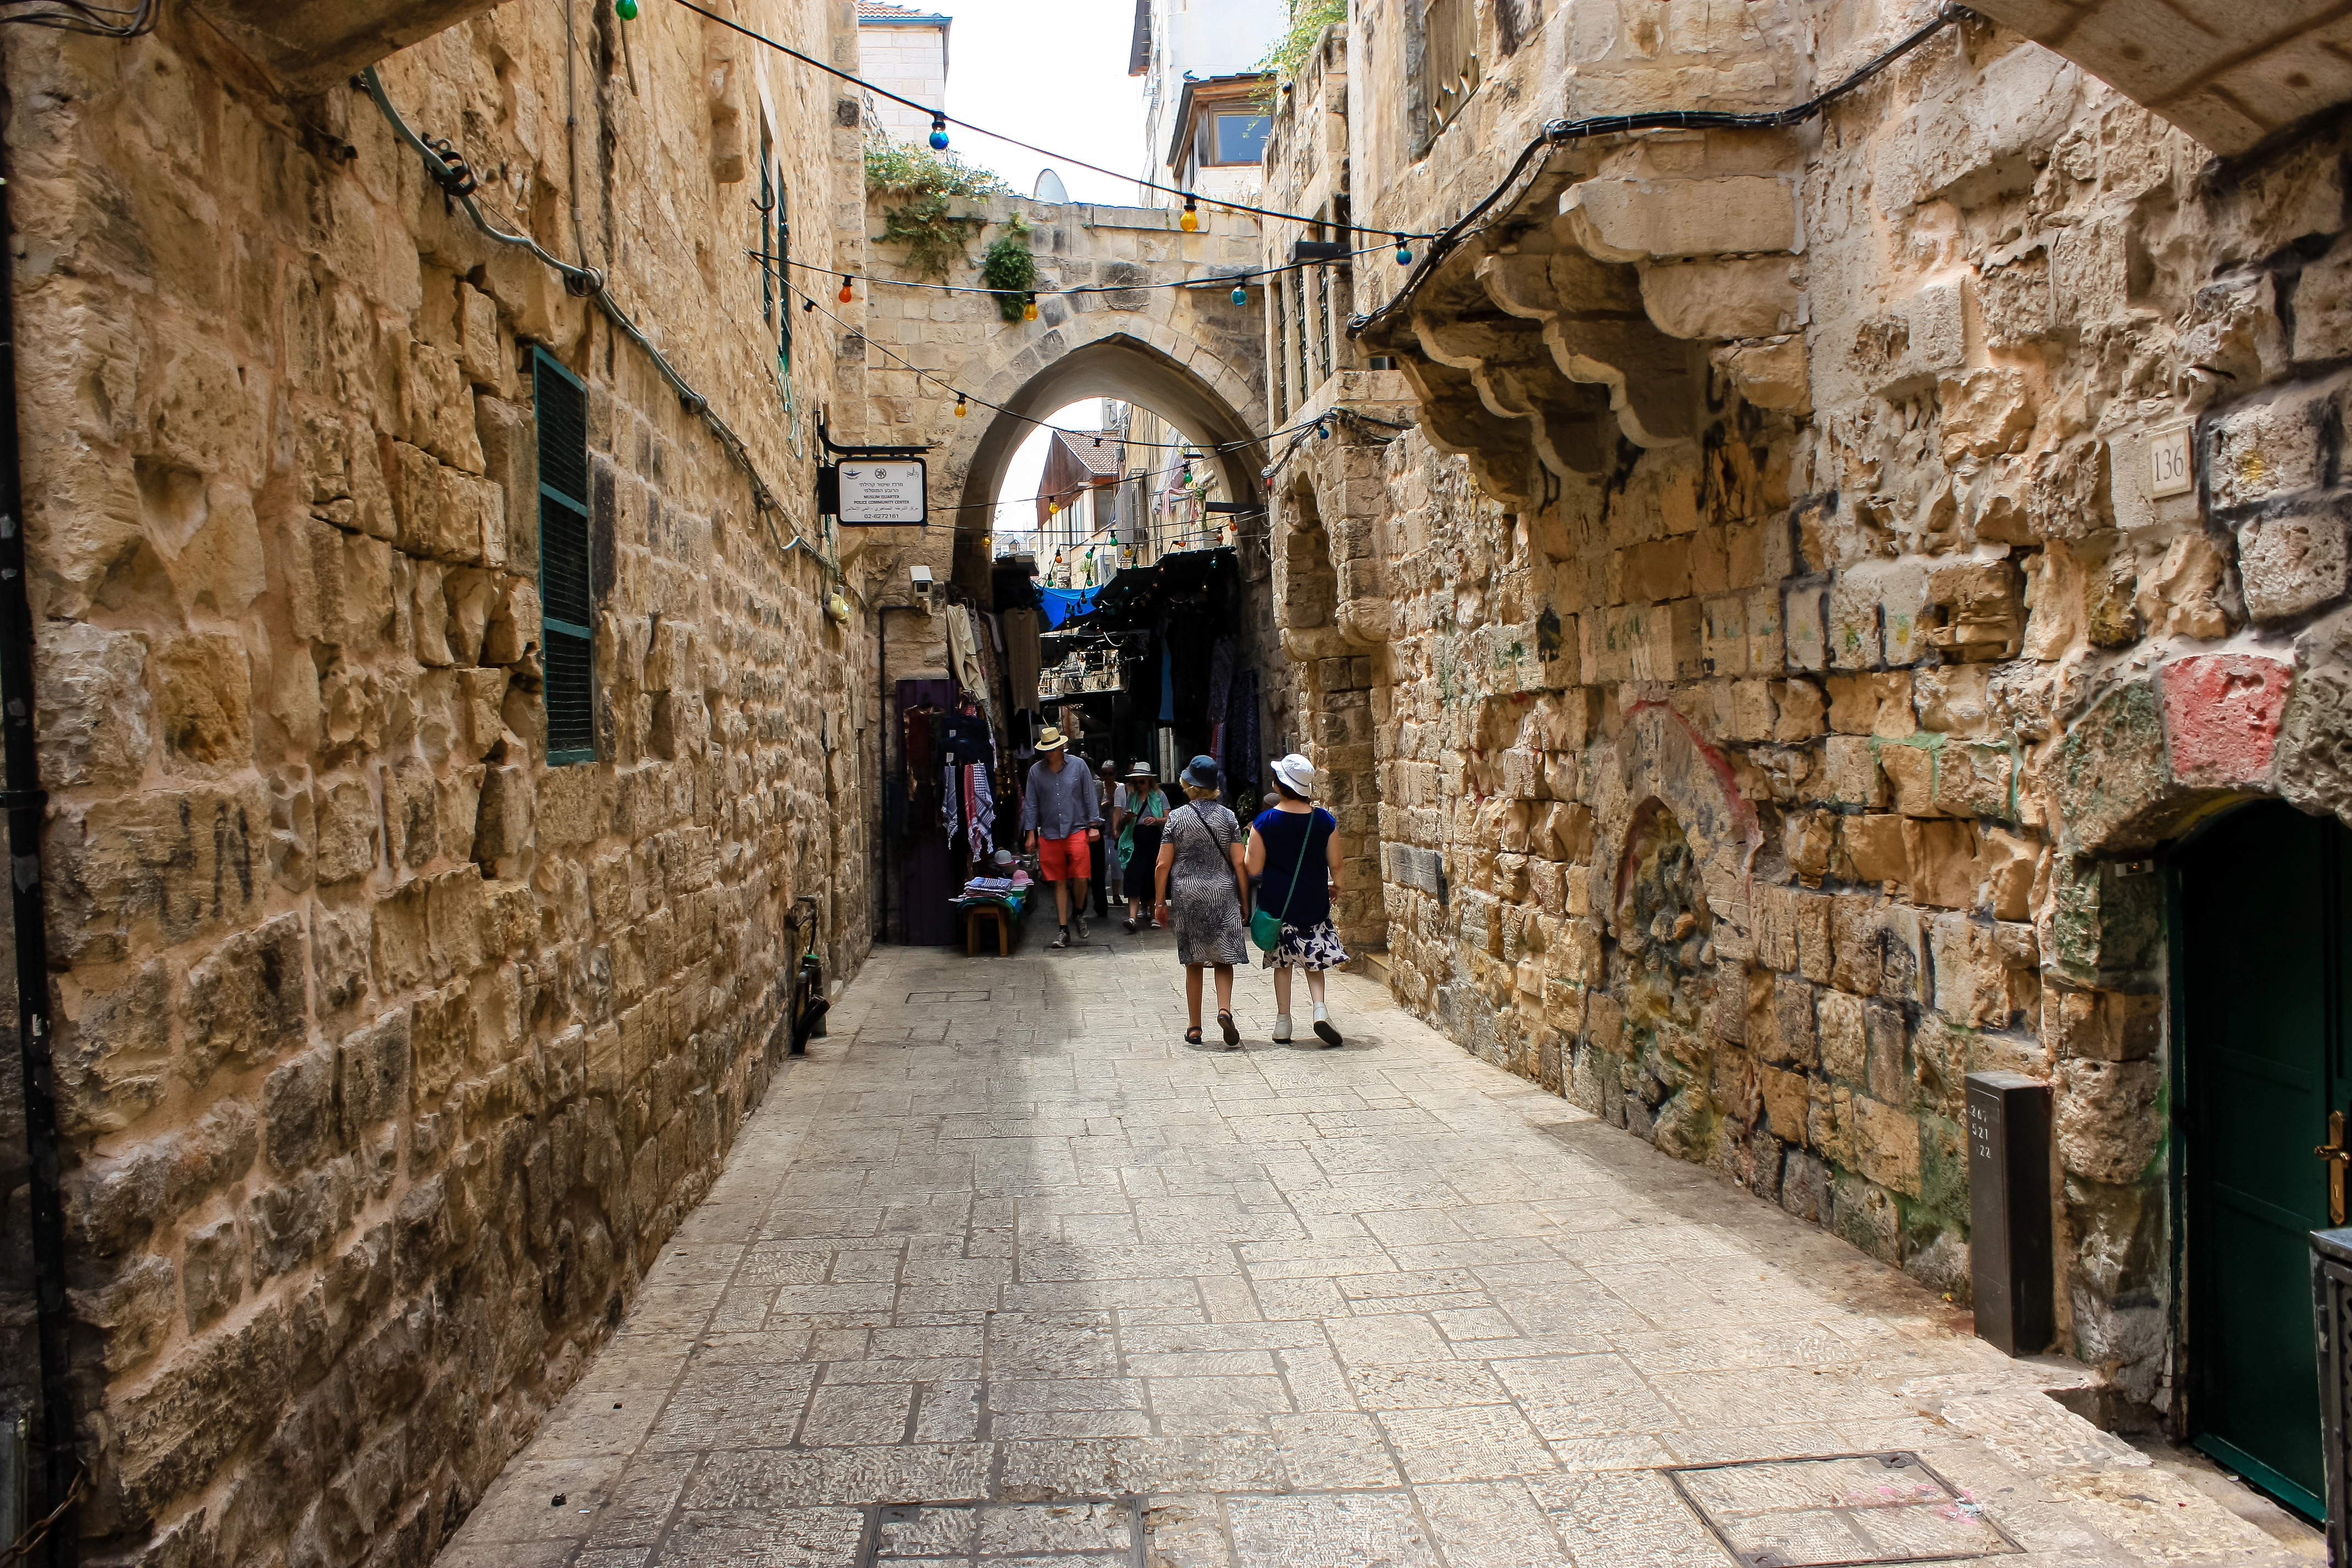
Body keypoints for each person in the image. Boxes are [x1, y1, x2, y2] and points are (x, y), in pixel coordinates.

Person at [1244, 753, 1348, 1046]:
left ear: (1278, 786)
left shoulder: (1264, 822)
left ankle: (1283, 1023)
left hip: (1278, 905)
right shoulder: (1324, 821)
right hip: (1313, 901)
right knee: (1314, 961)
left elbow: (1253, 868)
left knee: (1282, 964)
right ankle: (1320, 1010)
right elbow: (1336, 864)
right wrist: (1337, 886)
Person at [1155, 756, 1249, 1047]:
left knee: (1193, 962)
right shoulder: (1228, 817)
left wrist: (1160, 904)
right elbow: (1239, 863)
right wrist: (1245, 901)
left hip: (1188, 894)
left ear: (1188, 784)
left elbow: (1162, 865)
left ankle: (1194, 1027)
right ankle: (1224, 1009)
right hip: (1222, 892)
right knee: (1224, 958)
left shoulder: (1176, 819)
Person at [1019, 726, 1101, 949]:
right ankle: (1063, 930)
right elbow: (1031, 804)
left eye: (1052, 748)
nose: (1049, 753)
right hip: (1050, 832)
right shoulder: (1036, 772)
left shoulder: (1078, 766)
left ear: (1061, 746)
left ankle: (1079, 911)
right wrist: (1030, 833)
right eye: (1045, 749)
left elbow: (1089, 795)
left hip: (1076, 829)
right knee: (1058, 881)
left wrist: (1094, 825)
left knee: (1082, 876)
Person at [1119, 763, 1169, 933]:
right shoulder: (1132, 797)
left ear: (1149, 781)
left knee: (1152, 877)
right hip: (1135, 840)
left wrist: (1156, 820)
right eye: (1136, 782)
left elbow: (1169, 819)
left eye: (1142, 782)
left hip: (1154, 839)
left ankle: (1154, 915)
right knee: (1133, 876)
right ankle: (1132, 917)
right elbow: (1124, 822)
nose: (1139, 785)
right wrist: (1128, 818)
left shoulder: (1159, 796)